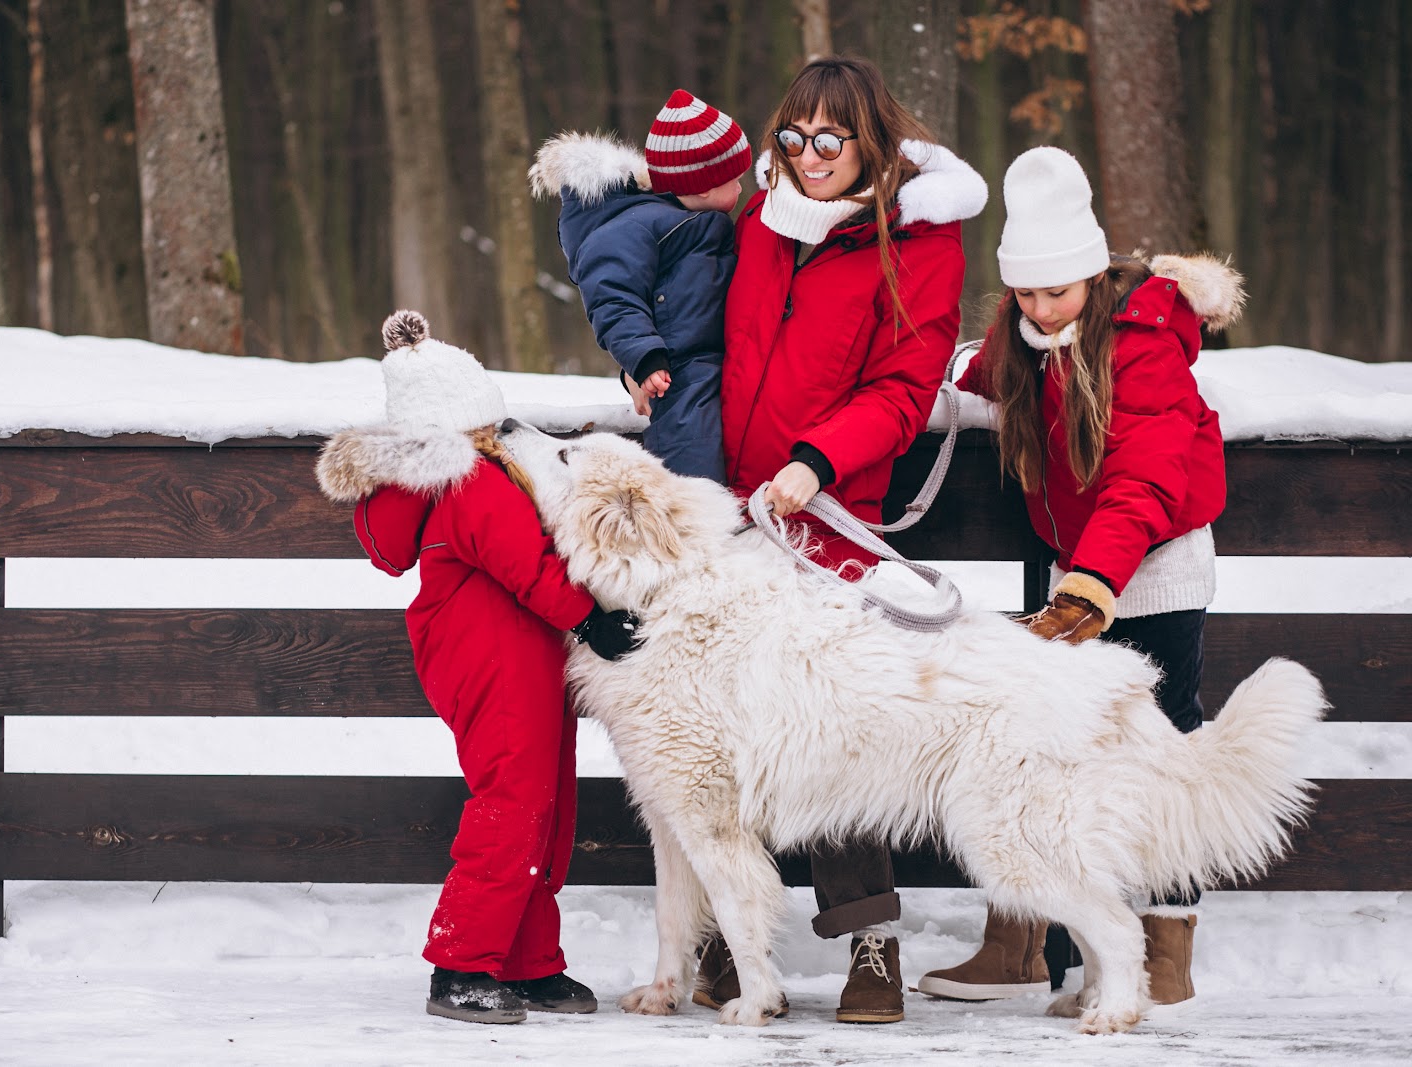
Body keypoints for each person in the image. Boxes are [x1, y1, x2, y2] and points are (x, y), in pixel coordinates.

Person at [920, 146, 1245, 1007]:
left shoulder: (1145, 347)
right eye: (1023, 292)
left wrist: (1088, 590)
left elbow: (1142, 483)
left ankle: (1164, 944)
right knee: (1047, 748)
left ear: (1094, 275)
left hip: (1156, 567)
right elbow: (976, 372)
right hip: (1079, 576)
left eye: (1054, 291)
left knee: (1162, 743)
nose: (1037, 307)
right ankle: (1026, 941)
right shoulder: (1022, 338)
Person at [712, 56, 987, 1024]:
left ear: (872, 141)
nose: (807, 156)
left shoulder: (918, 239)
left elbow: (907, 387)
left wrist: (815, 462)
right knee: (720, 724)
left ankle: (870, 937)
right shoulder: (754, 222)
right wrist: (646, 368)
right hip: (728, 511)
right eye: (790, 136)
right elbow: (711, 335)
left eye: (829, 138)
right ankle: (724, 934)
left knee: (827, 727)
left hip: (826, 516)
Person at [314, 310, 640, 1024]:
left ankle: (526, 961)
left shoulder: (461, 475)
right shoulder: (468, 482)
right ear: (450, 431)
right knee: (516, 802)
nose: (496, 437)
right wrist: (590, 618)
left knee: (544, 804)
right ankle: (461, 964)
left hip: (513, 657)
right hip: (493, 661)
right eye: (484, 426)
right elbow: (528, 565)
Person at [530, 89, 751, 482]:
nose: (741, 189)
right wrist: (644, 357)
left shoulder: (681, 219)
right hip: (679, 368)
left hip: (719, 358)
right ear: (702, 187)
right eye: (734, 180)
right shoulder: (633, 228)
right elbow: (613, 299)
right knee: (693, 451)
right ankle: (693, 516)